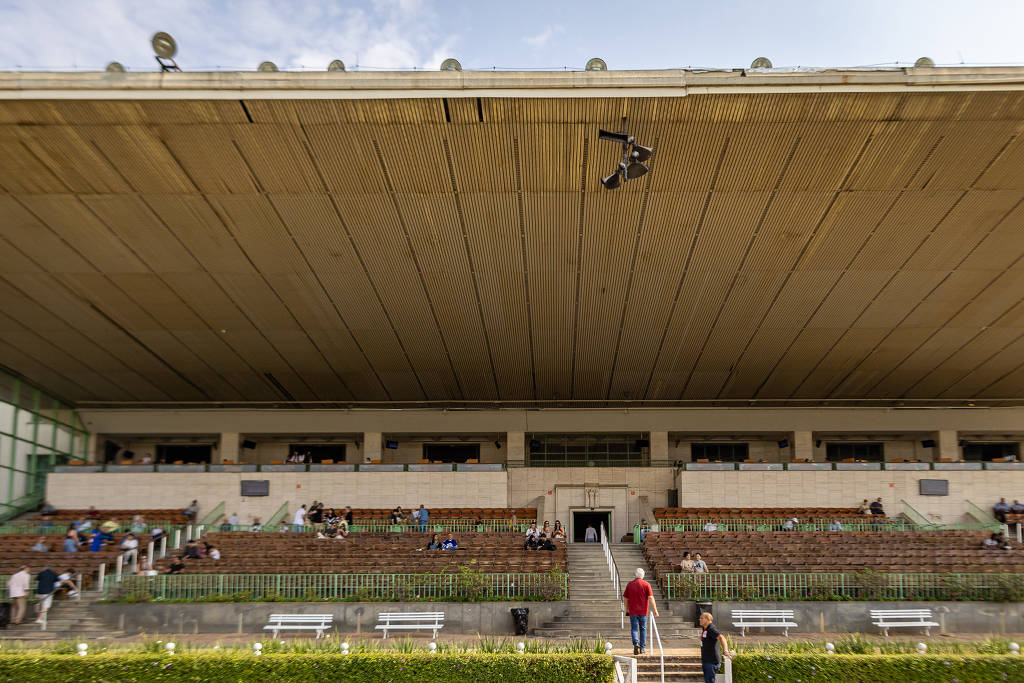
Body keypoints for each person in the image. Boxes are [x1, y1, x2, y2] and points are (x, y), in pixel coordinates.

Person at [622, 567, 659, 656]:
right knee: (643, 629)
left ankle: (635, 643)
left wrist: (626, 609)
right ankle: (642, 648)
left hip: (633, 611)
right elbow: (651, 598)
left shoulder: (630, 584)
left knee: (634, 628)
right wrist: (655, 610)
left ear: (635, 575)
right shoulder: (646, 584)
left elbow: (626, 598)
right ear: (643, 575)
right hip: (643, 611)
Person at [699, 612, 732, 683]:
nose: (699, 619)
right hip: (707, 661)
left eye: (702, 618)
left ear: (708, 619)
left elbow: (722, 638)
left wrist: (725, 651)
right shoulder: (705, 629)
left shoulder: (711, 629)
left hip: (711, 662)